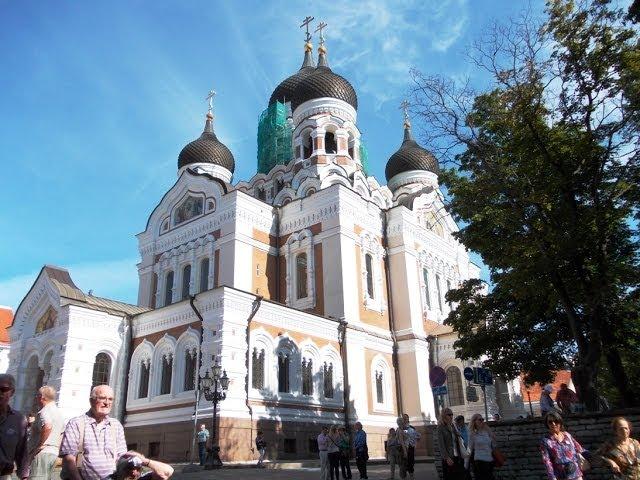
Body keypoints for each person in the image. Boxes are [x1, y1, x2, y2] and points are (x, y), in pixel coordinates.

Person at [60, 384, 128, 480]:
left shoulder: (116, 425)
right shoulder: (76, 423)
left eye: (110, 399)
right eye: (102, 398)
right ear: (91, 401)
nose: (107, 403)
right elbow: (69, 458)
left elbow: (122, 457)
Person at [27, 386, 65, 480]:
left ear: (42, 397)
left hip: (42, 453)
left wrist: (40, 445)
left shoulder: (45, 411)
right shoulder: (59, 413)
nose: (36, 398)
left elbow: (47, 426)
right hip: (54, 453)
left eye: (37, 395)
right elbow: (62, 433)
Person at [540, 411, 585, 480]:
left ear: (560, 422)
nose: (553, 424)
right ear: (547, 424)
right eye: (550, 422)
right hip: (560, 475)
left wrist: (593, 455)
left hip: (575, 472)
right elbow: (547, 461)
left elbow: (579, 448)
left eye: (556, 421)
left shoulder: (567, 435)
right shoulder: (545, 441)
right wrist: (552, 477)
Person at [0, 373, 28, 480]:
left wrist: (24, 476)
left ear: (12, 392)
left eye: (4, 389)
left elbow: (22, 452)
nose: (0, 393)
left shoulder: (18, 419)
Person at [436, 408, 467, 480]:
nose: (451, 416)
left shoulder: (453, 426)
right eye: (449, 414)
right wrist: (446, 457)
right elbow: (441, 445)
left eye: (452, 414)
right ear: (444, 416)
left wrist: (457, 432)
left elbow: (458, 439)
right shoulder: (440, 428)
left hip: (458, 456)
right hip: (449, 457)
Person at [467, 414, 496, 480]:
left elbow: (494, 442)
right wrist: (466, 463)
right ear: (474, 421)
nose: (482, 421)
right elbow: (469, 448)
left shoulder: (486, 432)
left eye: (482, 419)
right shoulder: (472, 434)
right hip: (479, 460)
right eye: (480, 420)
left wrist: (489, 430)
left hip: (489, 460)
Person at [402, 414, 420, 480]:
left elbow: (417, 437)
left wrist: (415, 444)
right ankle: (403, 476)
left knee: (411, 461)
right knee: (403, 462)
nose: (404, 419)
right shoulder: (400, 428)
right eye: (403, 418)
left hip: (410, 447)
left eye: (406, 418)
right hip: (402, 448)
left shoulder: (412, 428)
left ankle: (411, 475)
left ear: (408, 419)